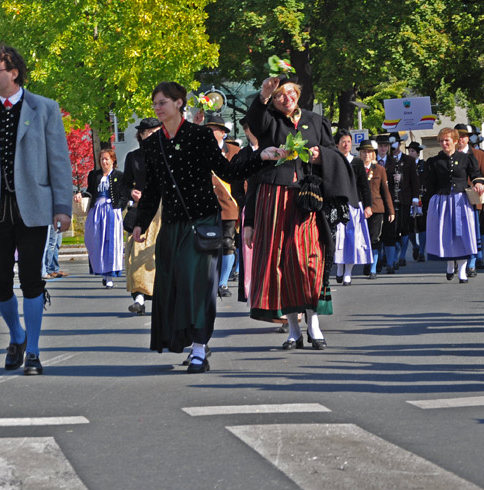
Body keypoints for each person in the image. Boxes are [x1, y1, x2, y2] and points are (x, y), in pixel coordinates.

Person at [132, 82, 277, 373]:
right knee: (173, 288)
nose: (158, 108)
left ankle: (199, 348)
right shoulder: (151, 144)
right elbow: (152, 190)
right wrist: (140, 223)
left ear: (179, 103)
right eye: (155, 103)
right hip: (171, 225)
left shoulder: (199, 136)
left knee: (198, 287)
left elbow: (227, 171)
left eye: (163, 102)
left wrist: (259, 157)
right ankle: (192, 340)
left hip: (202, 222)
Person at [0, 44, 73, 375]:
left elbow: (59, 161)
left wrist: (63, 207)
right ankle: (17, 335)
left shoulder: (44, 108)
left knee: (30, 278)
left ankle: (34, 351)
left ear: (14, 72)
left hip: (33, 207)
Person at [244, 72, 357, 351]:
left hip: (307, 199)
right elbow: (256, 129)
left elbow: (335, 156)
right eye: (281, 94)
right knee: (279, 263)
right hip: (273, 199)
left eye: (291, 92)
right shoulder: (269, 120)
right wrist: (263, 94)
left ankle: (314, 323)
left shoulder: (315, 121)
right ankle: (293, 329)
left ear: (298, 93)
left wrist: (321, 155)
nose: (287, 98)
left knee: (309, 261)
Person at [425, 127, 484, 282]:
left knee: (463, 234)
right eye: (441, 141)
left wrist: (478, 184)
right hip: (442, 201)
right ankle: (450, 264)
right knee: (446, 234)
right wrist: (428, 204)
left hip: (461, 201)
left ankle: (463, 271)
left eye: (447, 140)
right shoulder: (434, 162)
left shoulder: (466, 158)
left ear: (456, 141)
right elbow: (429, 185)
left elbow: (476, 175)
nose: (444, 144)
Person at [119, 117, 162, 315]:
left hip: (165, 211)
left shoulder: (168, 155)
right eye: (149, 133)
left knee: (160, 254)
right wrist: (131, 192)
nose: (152, 136)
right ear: (141, 135)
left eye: (156, 132)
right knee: (137, 254)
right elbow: (124, 184)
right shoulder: (133, 157)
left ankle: (165, 297)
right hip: (142, 211)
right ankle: (139, 299)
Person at [203, 113, 240, 298]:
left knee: (227, 243)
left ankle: (223, 283)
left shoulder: (234, 152)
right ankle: (209, 281)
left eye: (213, 130)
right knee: (206, 244)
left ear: (223, 133)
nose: (209, 133)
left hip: (228, 205)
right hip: (204, 205)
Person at [331, 130, 372, 285]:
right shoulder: (333, 160)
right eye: (343, 141)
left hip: (354, 205)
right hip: (337, 205)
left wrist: (367, 206)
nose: (346, 144)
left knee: (353, 239)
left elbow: (364, 186)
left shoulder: (356, 162)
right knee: (339, 239)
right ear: (337, 144)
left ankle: (348, 271)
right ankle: (340, 267)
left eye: (348, 141)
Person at [82, 149, 125, 288]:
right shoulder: (94, 175)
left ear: (113, 160)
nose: (104, 162)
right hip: (96, 211)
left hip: (112, 211)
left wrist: (119, 207)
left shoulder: (119, 175)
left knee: (110, 243)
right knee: (95, 241)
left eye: (106, 159)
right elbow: (90, 191)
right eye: (102, 159)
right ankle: (100, 269)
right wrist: (81, 195)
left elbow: (124, 194)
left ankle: (109, 276)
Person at [377, 132, 419, 273]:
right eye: (381, 145)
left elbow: (413, 181)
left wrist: (415, 198)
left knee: (401, 229)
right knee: (384, 232)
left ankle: (396, 257)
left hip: (401, 199)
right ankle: (383, 258)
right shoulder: (376, 162)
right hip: (379, 201)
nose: (384, 148)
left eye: (386, 145)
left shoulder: (402, 162)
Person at [455, 124, 484, 277]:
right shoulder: (450, 154)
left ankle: (473, 262)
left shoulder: (478, 154)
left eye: (463, 137)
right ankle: (458, 261)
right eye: (458, 137)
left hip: (474, 199)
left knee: (475, 231)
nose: (460, 140)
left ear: (468, 138)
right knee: (458, 233)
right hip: (456, 200)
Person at [358, 139, 394, 280]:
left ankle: (373, 267)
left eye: (369, 152)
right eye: (364, 152)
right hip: (360, 208)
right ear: (360, 153)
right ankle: (367, 262)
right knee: (362, 239)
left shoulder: (379, 169)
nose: (367, 154)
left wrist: (390, 210)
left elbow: (385, 191)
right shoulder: (356, 167)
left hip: (377, 208)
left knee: (375, 238)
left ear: (373, 154)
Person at [406, 141, 428, 259]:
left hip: (421, 197)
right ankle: (415, 245)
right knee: (410, 225)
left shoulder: (423, 165)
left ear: (418, 153)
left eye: (413, 151)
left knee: (422, 225)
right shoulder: (405, 164)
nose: (410, 153)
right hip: (409, 197)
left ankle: (421, 252)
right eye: (409, 151)